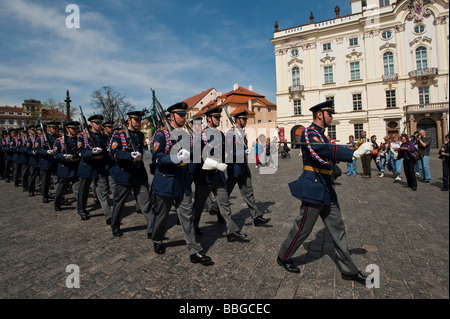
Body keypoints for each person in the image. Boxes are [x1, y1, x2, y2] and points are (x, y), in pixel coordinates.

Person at [277, 100, 374, 285]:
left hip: (326, 187)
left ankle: (349, 270)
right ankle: (283, 256)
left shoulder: (322, 135)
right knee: (303, 229)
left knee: (338, 229)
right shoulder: (309, 133)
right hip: (313, 187)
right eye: (330, 114)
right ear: (320, 114)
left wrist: (351, 150)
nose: (332, 117)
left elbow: (328, 152)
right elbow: (321, 151)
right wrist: (353, 153)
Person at [150, 102, 213, 265]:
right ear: (171, 116)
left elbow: (193, 152)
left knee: (187, 216)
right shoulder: (161, 134)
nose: (184, 118)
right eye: (181, 115)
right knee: (162, 215)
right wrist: (174, 158)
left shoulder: (186, 134)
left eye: (185, 115)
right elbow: (157, 157)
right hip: (166, 181)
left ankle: (195, 251)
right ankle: (157, 239)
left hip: (183, 181)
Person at [192, 106, 248, 242]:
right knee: (199, 205)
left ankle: (231, 231)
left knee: (224, 203)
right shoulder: (201, 135)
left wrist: (239, 150)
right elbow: (198, 157)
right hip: (205, 176)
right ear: (209, 119)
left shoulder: (221, 135)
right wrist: (216, 164)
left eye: (219, 117)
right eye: (216, 118)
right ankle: (193, 227)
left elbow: (226, 152)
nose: (218, 120)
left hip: (219, 175)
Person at [109, 111, 152, 237]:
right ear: (129, 120)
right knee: (120, 202)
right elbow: (114, 152)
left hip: (139, 172)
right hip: (125, 173)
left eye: (140, 120)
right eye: (136, 120)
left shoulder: (139, 135)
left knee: (145, 202)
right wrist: (128, 155)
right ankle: (115, 224)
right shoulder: (119, 135)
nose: (138, 123)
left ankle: (151, 228)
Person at [225, 109, 271, 227]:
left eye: (246, 119)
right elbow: (229, 152)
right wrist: (242, 152)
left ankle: (256, 217)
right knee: (225, 194)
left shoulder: (242, 132)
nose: (246, 121)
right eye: (244, 119)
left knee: (249, 192)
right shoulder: (231, 133)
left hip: (243, 167)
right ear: (237, 120)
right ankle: (222, 215)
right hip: (234, 167)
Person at [77, 115, 112, 223]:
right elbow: (80, 151)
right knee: (83, 191)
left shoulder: (102, 136)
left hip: (100, 166)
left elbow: (106, 152)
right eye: (96, 123)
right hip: (87, 166)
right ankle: (82, 210)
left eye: (100, 123)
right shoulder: (82, 136)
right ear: (91, 124)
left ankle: (108, 214)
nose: (99, 125)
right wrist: (90, 152)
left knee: (103, 192)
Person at [53, 121, 81, 213]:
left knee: (77, 188)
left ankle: (80, 208)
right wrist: (63, 156)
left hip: (76, 166)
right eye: (73, 129)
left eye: (76, 128)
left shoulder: (79, 139)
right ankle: (57, 203)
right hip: (65, 167)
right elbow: (56, 154)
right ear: (68, 129)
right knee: (61, 188)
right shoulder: (60, 140)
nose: (75, 130)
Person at [34, 122, 60, 203]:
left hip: (55, 162)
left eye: (56, 128)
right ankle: (45, 195)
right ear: (49, 128)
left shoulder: (59, 138)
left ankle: (59, 196)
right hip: (46, 161)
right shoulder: (41, 138)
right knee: (46, 181)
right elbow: (36, 150)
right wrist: (46, 152)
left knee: (57, 180)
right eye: (53, 128)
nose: (55, 130)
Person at [27, 126, 40, 197]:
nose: (34, 131)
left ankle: (40, 188)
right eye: (33, 130)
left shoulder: (40, 138)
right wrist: (33, 152)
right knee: (32, 176)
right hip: (33, 160)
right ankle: (31, 190)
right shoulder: (29, 139)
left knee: (41, 176)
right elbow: (27, 150)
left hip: (40, 159)